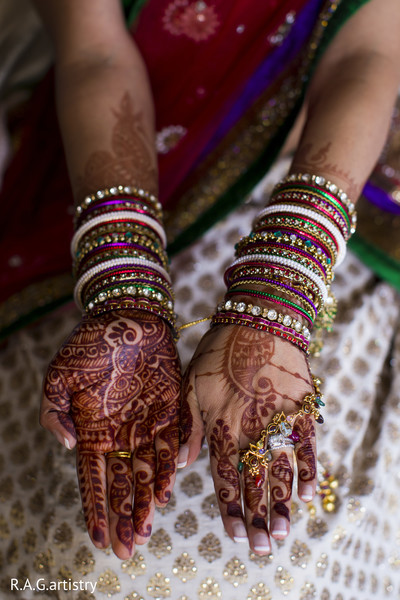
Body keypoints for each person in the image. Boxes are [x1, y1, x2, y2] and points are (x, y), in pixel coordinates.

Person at [1, 0, 400, 598]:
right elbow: (96, 51)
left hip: (330, 185)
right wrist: (124, 292)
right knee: (88, 562)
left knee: (298, 558)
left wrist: (282, 288)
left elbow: (369, 52)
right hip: (125, 177)